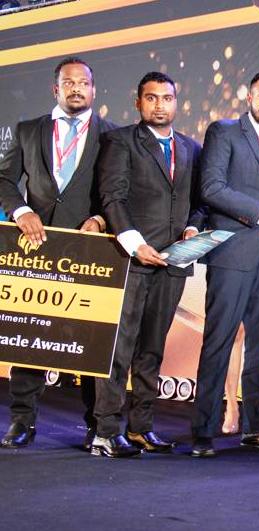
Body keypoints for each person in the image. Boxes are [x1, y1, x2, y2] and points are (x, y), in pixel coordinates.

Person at [0, 57, 115, 450]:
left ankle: (95, 423)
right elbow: (4, 180)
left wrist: (100, 219)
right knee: (32, 335)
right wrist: (21, 211)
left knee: (91, 339)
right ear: (56, 89)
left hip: (91, 248)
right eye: (69, 82)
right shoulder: (28, 130)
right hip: (37, 245)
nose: (76, 88)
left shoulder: (112, 135)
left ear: (94, 90)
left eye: (83, 82)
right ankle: (22, 420)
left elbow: (118, 189)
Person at [191, 70, 259, 458]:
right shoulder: (224, 132)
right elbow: (212, 188)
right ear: (249, 97)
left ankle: (255, 426)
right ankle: (204, 431)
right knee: (219, 340)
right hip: (233, 253)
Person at [92, 72, 204, 458]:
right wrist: (135, 244)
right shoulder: (121, 141)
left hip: (173, 264)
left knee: (152, 349)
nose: (159, 105)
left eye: (166, 98)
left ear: (176, 102)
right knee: (118, 349)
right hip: (131, 260)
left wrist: (193, 228)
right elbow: (113, 197)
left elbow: (200, 203)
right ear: (138, 102)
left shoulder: (191, 148)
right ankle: (106, 431)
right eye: (151, 98)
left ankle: (140, 428)